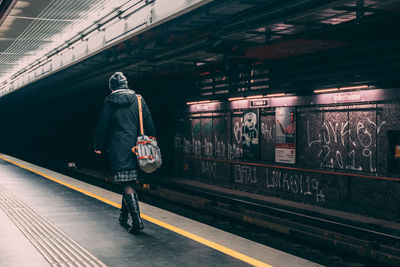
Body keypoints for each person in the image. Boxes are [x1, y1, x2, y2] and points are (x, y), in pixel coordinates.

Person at [94, 72, 156, 234]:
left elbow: (103, 125)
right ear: (126, 84)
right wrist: (151, 142)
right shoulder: (139, 99)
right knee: (130, 183)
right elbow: (149, 123)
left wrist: (98, 144)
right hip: (139, 147)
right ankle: (123, 216)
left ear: (112, 87)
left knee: (127, 184)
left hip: (120, 147)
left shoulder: (110, 101)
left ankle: (137, 222)